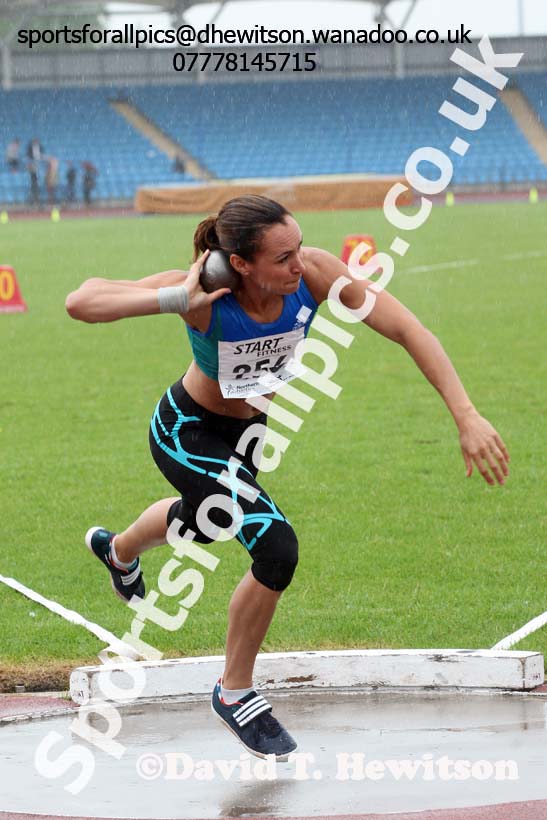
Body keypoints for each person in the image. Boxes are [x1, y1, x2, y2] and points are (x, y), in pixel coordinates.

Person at [65, 195, 509, 761]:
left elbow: (406, 327)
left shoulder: (317, 273)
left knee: (202, 524)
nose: (300, 265)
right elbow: (81, 301)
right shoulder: (205, 294)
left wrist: (465, 414)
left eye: (299, 248)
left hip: (246, 436)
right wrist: (177, 297)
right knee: (277, 548)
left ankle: (118, 550)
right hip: (186, 431)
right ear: (242, 264)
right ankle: (236, 691)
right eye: (283, 258)